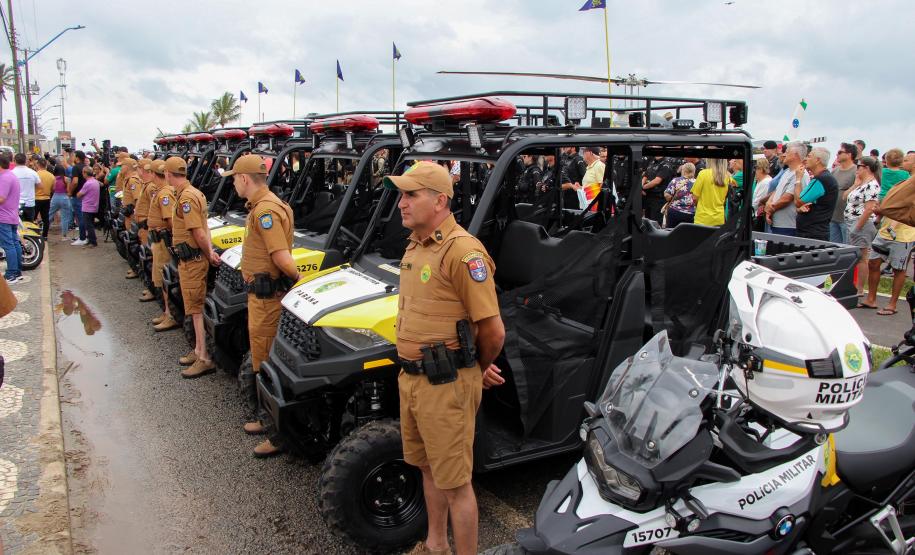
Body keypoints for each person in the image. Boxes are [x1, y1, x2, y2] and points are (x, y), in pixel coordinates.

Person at [384, 162, 505, 555]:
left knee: (456, 484)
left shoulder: (463, 252)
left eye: (410, 194)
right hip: (414, 380)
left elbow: (493, 331)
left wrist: (474, 367)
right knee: (427, 467)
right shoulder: (417, 244)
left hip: (445, 385)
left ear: (439, 201)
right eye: (401, 194)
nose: (401, 203)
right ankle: (435, 545)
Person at [224, 155, 299, 457]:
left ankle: (279, 435)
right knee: (262, 357)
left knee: (269, 363)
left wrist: (297, 279)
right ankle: (266, 420)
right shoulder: (262, 207)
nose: (232, 183)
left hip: (269, 299)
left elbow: (280, 255)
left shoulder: (266, 210)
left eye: (234, 178)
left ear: (244, 178)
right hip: (261, 296)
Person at [167, 156, 221, 378]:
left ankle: (204, 358)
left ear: (169, 175)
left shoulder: (187, 198)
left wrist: (209, 254)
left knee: (196, 310)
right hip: (192, 259)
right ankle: (199, 349)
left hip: (193, 261)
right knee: (193, 307)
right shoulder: (192, 193)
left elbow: (198, 231)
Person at [861, 152, 915, 315]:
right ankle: (871, 298)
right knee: (874, 262)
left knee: (899, 269)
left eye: (907, 160)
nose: (903, 162)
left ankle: (892, 304)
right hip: (886, 229)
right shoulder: (904, 181)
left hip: (905, 233)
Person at [146, 160, 180, 333]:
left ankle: (170, 315)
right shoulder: (161, 192)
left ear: (154, 174)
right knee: (160, 277)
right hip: (158, 240)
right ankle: (167, 313)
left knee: (165, 279)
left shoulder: (165, 194)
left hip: (163, 242)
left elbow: (170, 221)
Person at [844, 156, 881, 298]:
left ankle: (859, 288)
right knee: (856, 256)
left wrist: (857, 227)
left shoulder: (872, 185)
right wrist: (855, 184)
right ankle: (854, 285)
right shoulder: (862, 183)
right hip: (851, 220)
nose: (857, 169)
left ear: (866, 168)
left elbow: (869, 209)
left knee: (862, 256)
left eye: (859, 166)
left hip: (862, 223)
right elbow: (845, 197)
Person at [765, 142, 809, 236]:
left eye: (787, 152)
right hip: (778, 223)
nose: (783, 154)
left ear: (795, 155)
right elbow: (777, 190)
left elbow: (787, 198)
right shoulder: (787, 172)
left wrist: (770, 209)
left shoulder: (801, 174)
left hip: (788, 226)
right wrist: (769, 203)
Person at [795, 147, 838, 241]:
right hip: (814, 232)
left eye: (809, 156)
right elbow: (804, 203)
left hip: (812, 234)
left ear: (818, 160)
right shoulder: (824, 178)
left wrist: (798, 179)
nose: (806, 159)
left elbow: (798, 201)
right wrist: (800, 208)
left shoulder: (821, 179)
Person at [690, 158, 734, 227]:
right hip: (719, 218)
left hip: (703, 218)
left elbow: (695, 198)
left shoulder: (703, 174)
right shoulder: (728, 176)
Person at [134, 160, 156, 302]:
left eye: (139, 169)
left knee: (151, 261)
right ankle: (150, 286)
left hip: (149, 229)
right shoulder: (146, 185)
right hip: (143, 228)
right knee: (147, 258)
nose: (138, 172)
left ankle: (153, 289)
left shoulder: (151, 188)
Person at [829, 143, 858, 243]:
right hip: (833, 217)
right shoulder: (835, 171)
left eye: (840, 152)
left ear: (849, 154)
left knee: (846, 249)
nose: (837, 154)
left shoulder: (856, 171)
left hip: (847, 219)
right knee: (832, 248)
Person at [0, 153, 22, 283]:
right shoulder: (11, 175)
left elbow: (1, 198)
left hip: (4, 216)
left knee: (8, 245)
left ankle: (11, 274)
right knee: (14, 243)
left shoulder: (4, 178)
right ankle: (17, 271)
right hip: (11, 214)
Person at [119, 157, 140, 276]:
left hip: (132, 217)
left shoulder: (133, 181)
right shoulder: (128, 179)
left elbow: (137, 200)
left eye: (122, 166)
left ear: (127, 167)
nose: (120, 168)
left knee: (134, 242)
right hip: (129, 216)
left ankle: (136, 268)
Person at [642, 156, 674, 223]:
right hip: (648, 196)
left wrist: (643, 187)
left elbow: (657, 181)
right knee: (647, 221)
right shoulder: (652, 162)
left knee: (655, 222)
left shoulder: (666, 164)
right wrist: (641, 186)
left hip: (658, 199)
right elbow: (645, 175)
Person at [664, 162, 696, 227]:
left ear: (683, 170)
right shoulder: (697, 182)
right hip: (691, 214)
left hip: (675, 212)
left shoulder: (675, 180)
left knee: (671, 233)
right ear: (693, 171)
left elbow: (667, 195)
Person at [76, 166, 100, 247]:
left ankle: (93, 241)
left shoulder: (88, 183)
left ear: (85, 173)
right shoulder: (95, 181)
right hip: (94, 205)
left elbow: (79, 194)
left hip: (88, 206)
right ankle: (90, 239)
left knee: (88, 225)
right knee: (90, 224)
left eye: (83, 172)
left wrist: (77, 195)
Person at [12, 153, 39, 222]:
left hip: (16, 204)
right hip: (30, 203)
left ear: (14, 161)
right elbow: (39, 186)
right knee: (30, 226)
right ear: (26, 161)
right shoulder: (33, 173)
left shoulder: (11, 173)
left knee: (18, 226)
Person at [47, 164, 72, 239]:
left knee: (49, 214)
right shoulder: (67, 179)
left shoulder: (53, 179)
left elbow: (52, 189)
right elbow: (68, 190)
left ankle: (44, 230)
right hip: (64, 197)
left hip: (55, 197)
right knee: (65, 217)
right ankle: (64, 236)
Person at [69, 151, 88, 246]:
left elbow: (75, 181)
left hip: (77, 195)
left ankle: (82, 237)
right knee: (83, 216)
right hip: (86, 194)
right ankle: (84, 235)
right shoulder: (85, 167)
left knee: (80, 217)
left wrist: (70, 191)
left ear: (77, 158)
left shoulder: (76, 167)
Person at [33, 158, 54, 239]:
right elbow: (53, 188)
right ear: (46, 165)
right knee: (46, 218)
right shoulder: (51, 175)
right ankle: (45, 235)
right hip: (46, 198)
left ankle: (34, 234)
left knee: (33, 218)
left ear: (38, 165)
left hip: (36, 198)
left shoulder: (35, 174)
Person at [751, 158, 772, 230]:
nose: (754, 172)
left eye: (755, 169)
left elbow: (757, 202)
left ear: (761, 169)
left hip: (758, 217)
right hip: (755, 215)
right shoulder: (761, 181)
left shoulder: (766, 182)